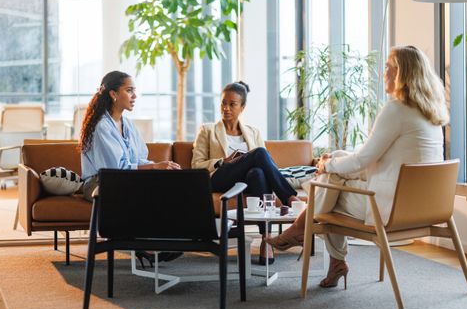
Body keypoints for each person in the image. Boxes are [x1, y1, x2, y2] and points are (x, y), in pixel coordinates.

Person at [265, 45, 447, 289]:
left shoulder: (396, 110)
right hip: (424, 206)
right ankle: (322, 250)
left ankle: (302, 228)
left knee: (330, 191)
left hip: (389, 209)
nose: (384, 73)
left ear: (402, 73)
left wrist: (328, 165)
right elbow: (379, 161)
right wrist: (334, 163)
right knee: (335, 168)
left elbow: (362, 161)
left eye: (388, 67)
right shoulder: (431, 113)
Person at [79, 71, 182, 267]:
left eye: (134, 91)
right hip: (99, 182)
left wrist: (159, 169)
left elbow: (138, 158)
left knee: (167, 181)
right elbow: (115, 170)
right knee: (146, 186)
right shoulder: (102, 126)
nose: (135, 96)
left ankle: (166, 238)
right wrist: (153, 167)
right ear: (113, 94)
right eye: (129, 90)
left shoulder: (127, 124)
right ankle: (146, 245)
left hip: (122, 177)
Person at [192, 81, 301, 265]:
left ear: (242, 107)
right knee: (259, 153)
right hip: (219, 179)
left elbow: (266, 167)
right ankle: (289, 197)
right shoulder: (207, 130)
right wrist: (222, 162)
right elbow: (196, 165)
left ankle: (266, 240)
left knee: (258, 172)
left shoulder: (253, 132)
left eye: (232, 104)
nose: (226, 108)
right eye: (223, 103)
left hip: (247, 181)